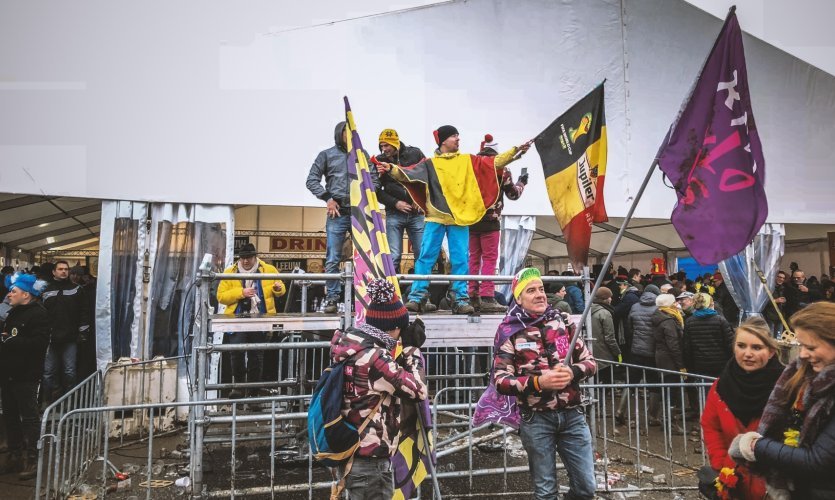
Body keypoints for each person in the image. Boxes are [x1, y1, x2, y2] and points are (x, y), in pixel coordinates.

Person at [378, 125, 529, 314]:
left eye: (458, 136)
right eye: (454, 136)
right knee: (425, 258)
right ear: (443, 141)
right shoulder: (430, 163)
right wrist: (391, 168)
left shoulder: (467, 160)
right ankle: (417, 297)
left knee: (460, 260)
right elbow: (408, 172)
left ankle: (459, 298)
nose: (458, 139)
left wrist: (516, 151)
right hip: (435, 217)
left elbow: (494, 162)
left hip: (458, 219)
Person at [493, 268, 597, 499]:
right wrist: (539, 382)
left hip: (573, 416)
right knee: (545, 490)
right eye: (531, 290)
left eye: (541, 289)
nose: (540, 294)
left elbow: (590, 362)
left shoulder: (564, 322)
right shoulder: (509, 331)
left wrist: (572, 372)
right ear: (519, 299)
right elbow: (500, 381)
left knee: (587, 487)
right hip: (536, 419)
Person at [330, 279, 428, 500]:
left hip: (352, 452)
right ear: (394, 328)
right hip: (370, 459)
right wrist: (412, 349)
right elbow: (417, 391)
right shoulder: (374, 358)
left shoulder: (352, 346)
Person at [728, 302, 835, 499]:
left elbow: (818, 460)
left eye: (810, 347)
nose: (802, 354)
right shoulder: (801, 376)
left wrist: (754, 446)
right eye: (800, 345)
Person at [699, 317, 783, 500]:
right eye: (741, 345)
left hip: (775, 484)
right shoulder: (720, 386)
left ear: (771, 352)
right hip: (733, 481)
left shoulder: (786, 388)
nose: (747, 353)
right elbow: (710, 425)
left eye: (756, 347)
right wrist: (722, 463)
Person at [307, 121, 379, 314]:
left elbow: (374, 180)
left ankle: (366, 297)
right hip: (337, 211)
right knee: (332, 257)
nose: (351, 136)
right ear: (340, 134)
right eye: (347, 133)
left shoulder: (362, 155)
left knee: (365, 256)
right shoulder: (326, 155)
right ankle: (331, 298)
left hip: (359, 212)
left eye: (353, 132)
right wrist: (327, 198)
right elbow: (311, 180)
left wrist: (367, 196)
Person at [216, 243, 286, 399]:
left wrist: (277, 288)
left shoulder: (269, 270)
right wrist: (242, 292)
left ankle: (253, 391)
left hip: (260, 319)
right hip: (237, 319)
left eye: (248, 257)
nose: (245, 261)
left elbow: (282, 290)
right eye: (242, 258)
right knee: (236, 353)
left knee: (256, 355)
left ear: (255, 257)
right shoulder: (230, 272)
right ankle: (239, 387)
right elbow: (221, 296)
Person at [467, 134, 527, 314]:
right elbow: (513, 194)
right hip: (491, 220)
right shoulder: (500, 168)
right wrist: (522, 182)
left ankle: (471, 294)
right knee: (489, 258)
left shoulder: (471, 167)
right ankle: (486, 296)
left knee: (473, 258)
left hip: (470, 219)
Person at [1, 273, 50, 480]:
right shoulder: (13, 313)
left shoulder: (39, 315)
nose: (9, 294)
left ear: (26, 295)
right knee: (10, 415)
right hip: (8, 374)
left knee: (29, 417)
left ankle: (32, 459)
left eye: (14, 291)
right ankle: (14, 455)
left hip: (26, 375)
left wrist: (12, 342)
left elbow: (39, 345)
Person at [373, 128, 426, 275]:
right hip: (394, 213)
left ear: (395, 144)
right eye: (381, 146)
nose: (384, 149)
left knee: (422, 255)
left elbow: (428, 177)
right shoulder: (379, 160)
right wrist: (395, 203)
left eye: (387, 145)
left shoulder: (415, 153)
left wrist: (420, 199)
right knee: (393, 256)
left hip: (417, 213)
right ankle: (391, 293)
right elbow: (374, 190)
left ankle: (419, 293)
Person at [42, 261, 90, 402]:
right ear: (54, 272)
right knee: (48, 373)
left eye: (66, 269)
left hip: (70, 338)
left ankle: (70, 402)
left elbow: (84, 312)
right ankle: (46, 401)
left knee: (70, 371)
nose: (64, 271)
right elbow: (41, 314)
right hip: (50, 338)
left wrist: (83, 332)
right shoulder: (46, 291)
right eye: (60, 269)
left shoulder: (77, 289)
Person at [616, 284, 662, 425]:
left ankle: (620, 411)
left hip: (636, 351)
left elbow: (629, 327)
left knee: (631, 382)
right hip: (652, 352)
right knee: (655, 384)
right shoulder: (658, 309)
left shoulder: (635, 306)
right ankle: (653, 416)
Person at [684, 293, 734, 379]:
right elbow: (730, 343)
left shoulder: (689, 322)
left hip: (700, 364)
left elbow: (687, 347)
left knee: (705, 390)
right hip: (721, 363)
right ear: (710, 304)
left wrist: (689, 366)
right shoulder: (720, 321)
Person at [590, 287, 621, 384]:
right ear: (604, 298)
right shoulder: (605, 313)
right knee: (607, 381)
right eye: (609, 297)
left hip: (591, 350)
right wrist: (617, 352)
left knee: (594, 380)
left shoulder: (588, 309)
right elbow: (609, 337)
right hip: (604, 353)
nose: (611, 299)